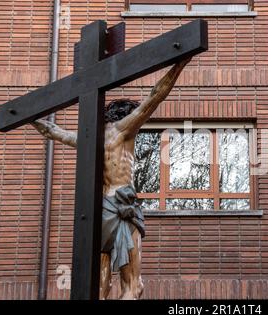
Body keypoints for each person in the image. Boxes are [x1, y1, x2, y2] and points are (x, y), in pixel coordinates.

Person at [31, 58, 191, 299]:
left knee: (99, 287)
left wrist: (25, 116)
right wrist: (181, 63)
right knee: (133, 286)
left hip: (100, 212)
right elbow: (155, 96)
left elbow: (51, 130)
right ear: (125, 115)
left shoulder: (88, 139)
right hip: (122, 206)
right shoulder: (123, 129)